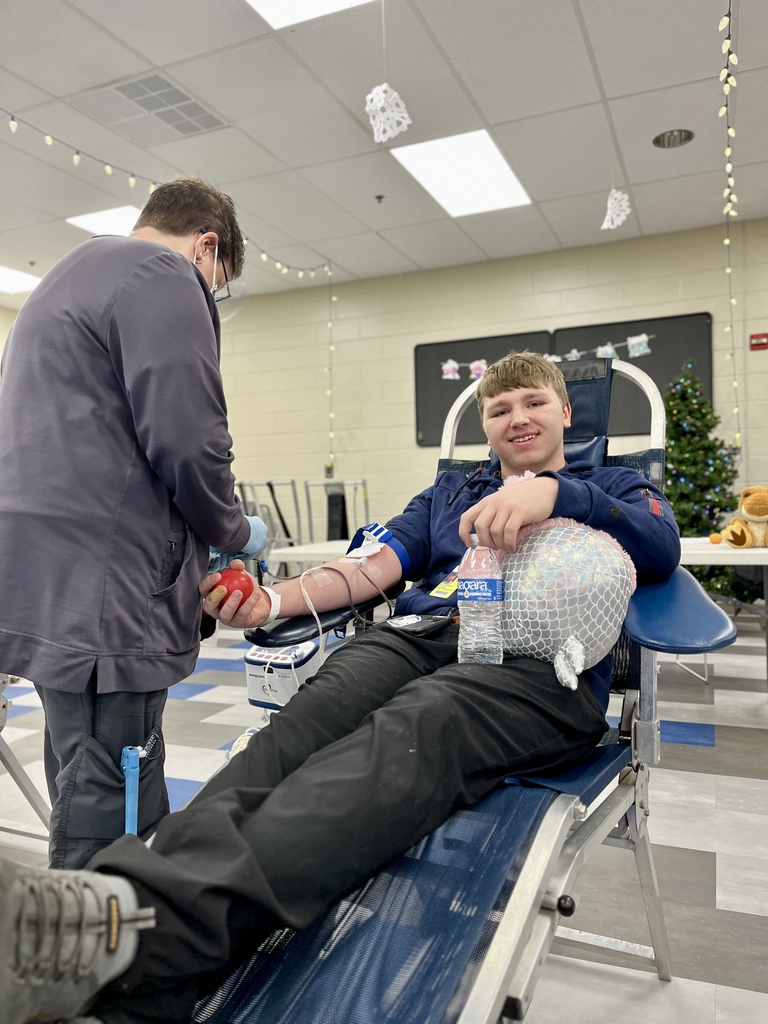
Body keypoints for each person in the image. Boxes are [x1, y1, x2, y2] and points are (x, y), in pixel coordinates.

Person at [0, 352, 680, 1024]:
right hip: (420, 634)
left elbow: (660, 547)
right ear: (485, 427)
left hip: (532, 669)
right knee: (299, 730)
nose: (518, 417)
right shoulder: (450, 495)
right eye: (499, 409)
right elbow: (372, 568)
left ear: (565, 412)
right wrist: (272, 601)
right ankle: (127, 949)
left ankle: (131, 935)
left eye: (534, 402)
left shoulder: (613, 487)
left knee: (416, 727)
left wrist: (557, 493)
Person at [0, 178, 267, 870]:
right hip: (107, 593)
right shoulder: (165, 275)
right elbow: (189, 438)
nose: (211, 296)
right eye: (219, 284)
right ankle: (106, 973)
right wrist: (237, 532)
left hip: (46, 581)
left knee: (78, 764)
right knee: (116, 801)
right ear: (206, 247)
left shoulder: (67, 275)